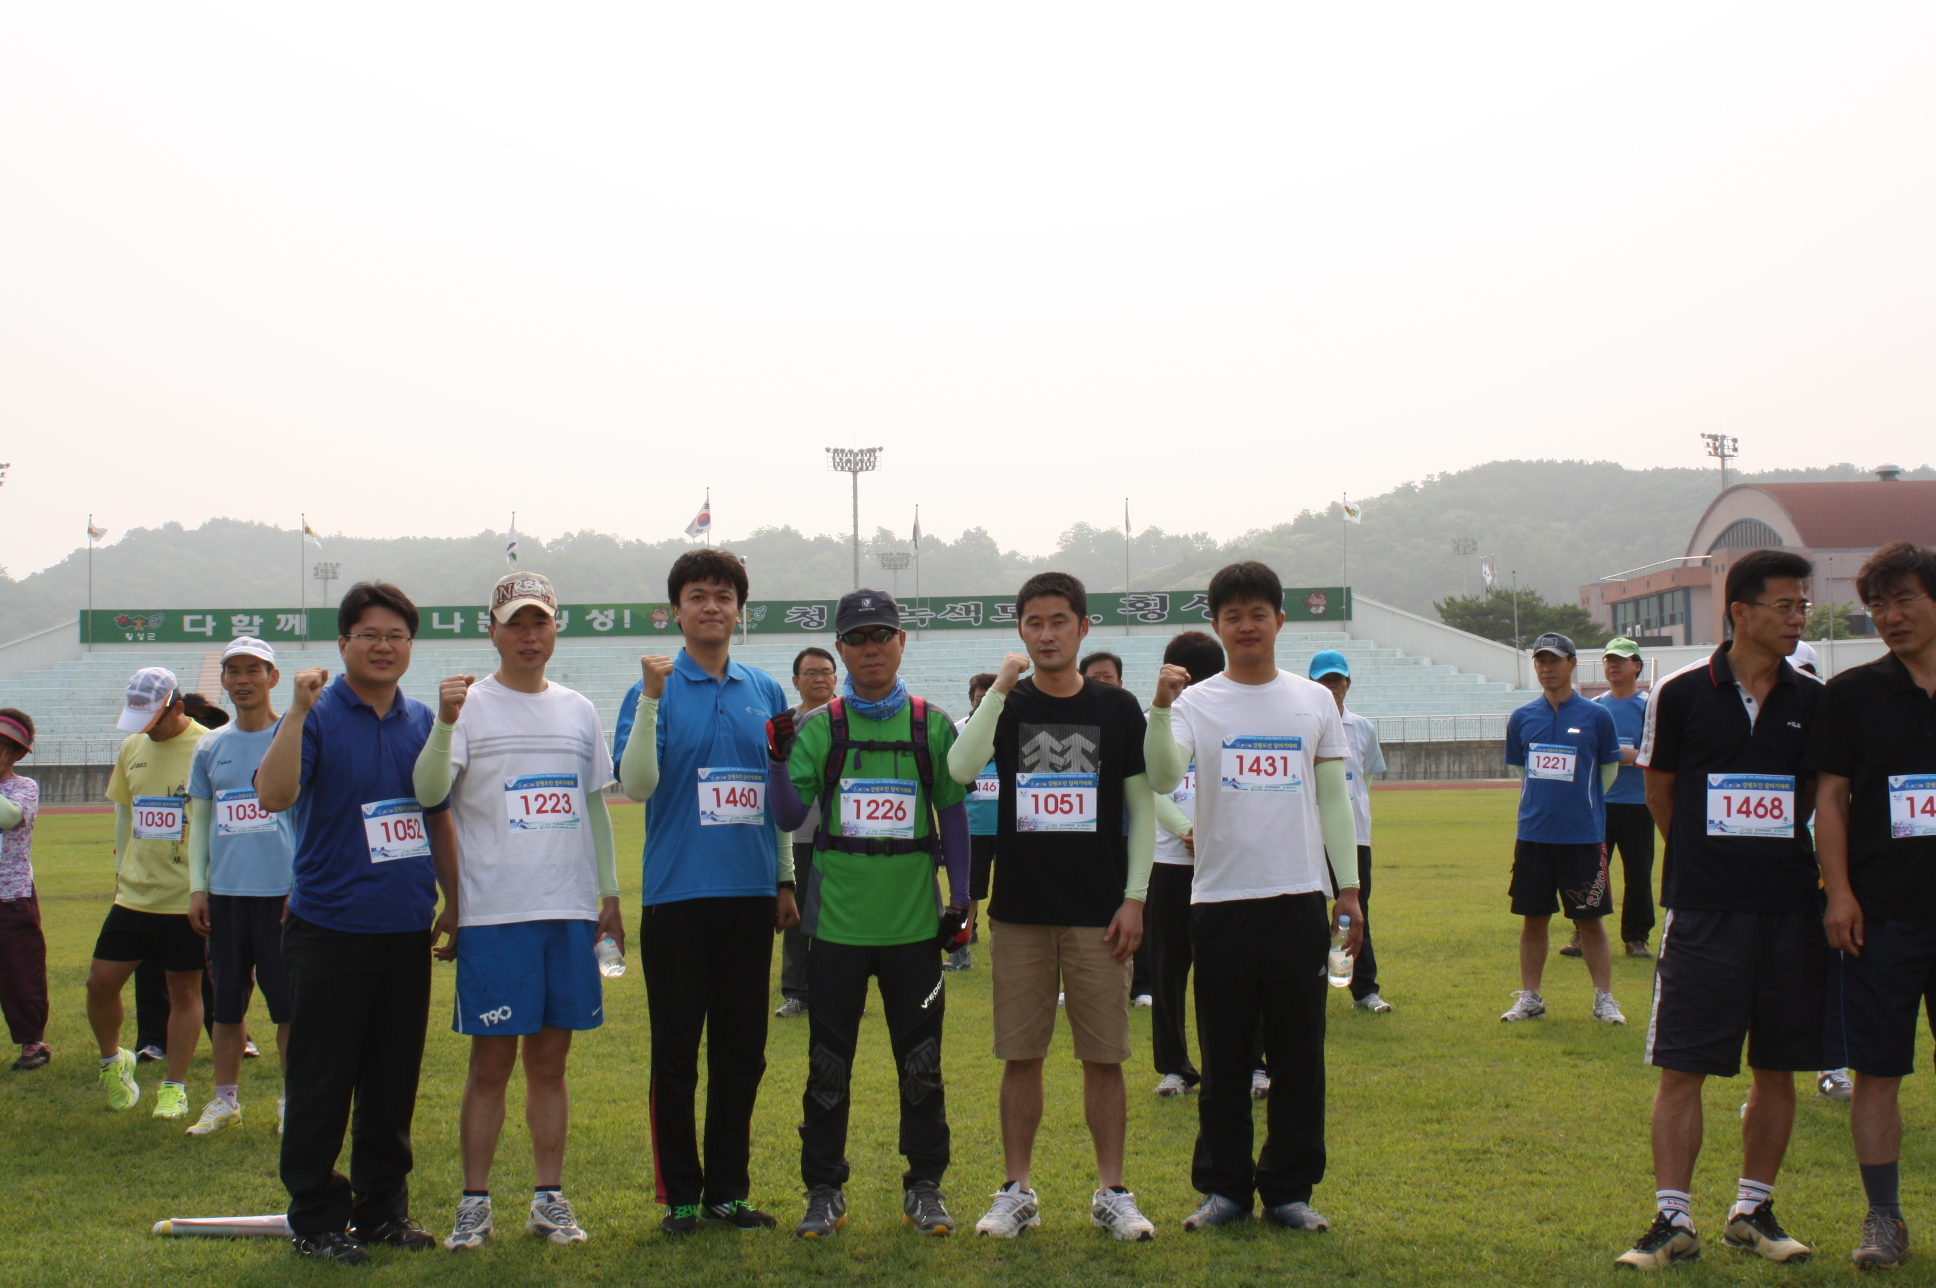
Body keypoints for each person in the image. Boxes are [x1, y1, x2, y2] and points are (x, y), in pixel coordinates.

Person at [1614, 550, 1825, 1269]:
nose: (1798, 618)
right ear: (1740, 611)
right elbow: (1660, 791)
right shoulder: (1678, 693)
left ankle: (1751, 1211)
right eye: (1785, 606)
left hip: (1791, 909)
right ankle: (1672, 1220)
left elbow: (1817, 797)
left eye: (1803, 606)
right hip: (1704, 911)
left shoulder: (1813, 699)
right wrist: (1709, 860)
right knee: (1683, 1068)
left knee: (1778, 1066)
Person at [1144, 561, 1361, 1233]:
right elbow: (1162, 775)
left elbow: (1333, 800)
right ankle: (1225, 1189)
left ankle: (1290, 1189)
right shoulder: (1196, 704)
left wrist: (1348, 888)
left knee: (1299, 1057)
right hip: (1220, 901)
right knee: (1226, 1056)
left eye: (1257, 613)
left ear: (1279, 621)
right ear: (1216, 625)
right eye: (1232, 615)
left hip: (1298, 897)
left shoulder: (1313, 701)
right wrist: (1159, 707)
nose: (1245, 625)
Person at [413, 572, 621, 1250]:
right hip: (495, 914)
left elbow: (594, 807)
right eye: (516, 623)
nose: (529, 636)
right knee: (490, 1065)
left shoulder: (579, 710)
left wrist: (610, 896)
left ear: (556, 629)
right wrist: (445, 722)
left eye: (540, 622)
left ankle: (548, 1198)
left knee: (550, 1064)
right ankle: (474, 1203)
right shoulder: (468, 707)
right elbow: (429, 792)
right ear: (493, 631)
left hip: (567, 910)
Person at [949, 572, 1158, 1242]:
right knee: (1021, 1056)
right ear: (1019, 629)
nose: (1046, 634)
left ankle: (1112, 1191)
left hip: (1101, 912)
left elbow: (1142, 807)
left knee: (1105, 1057)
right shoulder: (1006, 705)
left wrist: (1134, 898)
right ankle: (1017, 1189)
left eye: (1059, 620)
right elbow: (959, 769)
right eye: (1033, 622)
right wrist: (999, 690)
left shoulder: (1117, 708)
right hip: (1020, 912)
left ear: (1083, 627)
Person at [257, 582, 454, 1265]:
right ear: (343, 644)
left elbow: (437, 818)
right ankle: (315, 1218)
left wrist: (455, 901)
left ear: (411, 646)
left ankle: (381, 1212)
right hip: (329, 930)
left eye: (396, 636)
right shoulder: (315, 715)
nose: (383, 646)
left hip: (404, 929)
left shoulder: (422, 721)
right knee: (323, 1081)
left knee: (392, 1082)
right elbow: (273, 794)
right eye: (369, 634)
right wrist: (294, 712)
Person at [768, 589, 971, 1238]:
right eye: (856, 638)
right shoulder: (819, 728)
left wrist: (962, 899)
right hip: (836, 932)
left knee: (922, 1067)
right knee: (827, 1068)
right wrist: (777, 762)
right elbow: (788, 815)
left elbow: (953, 813)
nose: (870, 647)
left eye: (882, 634)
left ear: (901, 641)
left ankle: (925, 1186)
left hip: (915, 933)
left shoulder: (931, 724)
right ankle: (823, 1189)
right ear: (841, 649)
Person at [614, 549, 795, 1235]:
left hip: (750, 894)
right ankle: (681, 1196)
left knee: (742, 1051)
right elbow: (636, 785)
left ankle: (727, 1190)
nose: (711, 606)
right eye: (697, 596)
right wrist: (651, 699)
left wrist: (784, 877)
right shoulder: (651, 689)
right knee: (677, 1051)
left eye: (723, 595)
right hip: (677, 896)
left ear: (739, 610)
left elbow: (777, 791)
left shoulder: (765, 691)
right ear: (676, 610)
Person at [1808, 540, 1936, 1268]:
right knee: (1879, 1069)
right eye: (1878, 606)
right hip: (1882, 914)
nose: (1890, 616)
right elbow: (1830, 798)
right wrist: (1840, 892)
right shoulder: (1851, 695)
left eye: (1905, 599)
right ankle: (1883, 1220)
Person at [183, 638, 295, 1137]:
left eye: (254, 670)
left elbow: (309, 820)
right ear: (223, 679)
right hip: (226, 897)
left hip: (282, 896)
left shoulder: (292, 737)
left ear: (273, 677)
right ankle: (224, 1101)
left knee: (289, 1005)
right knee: (227, 1004)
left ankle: (293, 1101)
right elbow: (201, 822)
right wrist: (197, 889)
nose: (243, 679)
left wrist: (301, 885)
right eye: (234, 670)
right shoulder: (210, 746)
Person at [88, 667, 210, 1119]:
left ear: (177, 708)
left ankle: (174, 1087)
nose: (144, 729)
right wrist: (121, 871)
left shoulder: (208, 746)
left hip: (186, 896)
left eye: (153, 719)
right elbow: (126, 812)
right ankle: (113, 1061)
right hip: (134, 895)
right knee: (100, 984)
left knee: (184, 990)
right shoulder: (132, 747)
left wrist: (205, 886)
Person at [1498, 634, 1625, 1026]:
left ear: (1572, 663)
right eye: (1540, 661)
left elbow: (1608, 772)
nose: (1547, 668)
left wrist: (1580, 806)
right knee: (1533, 918)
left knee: (1590, 920)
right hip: (1534, 836)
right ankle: (1531, 997)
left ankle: (1604, 999)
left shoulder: (1597, 716)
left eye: (1554, 660)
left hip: (1582, 837)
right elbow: (1522, 772)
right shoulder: (1522, 718)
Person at [1146, 631, 1222, 1097]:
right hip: (1171, 862)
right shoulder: (1152, 720)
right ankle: (1175, 1067)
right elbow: (1151, 787)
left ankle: (1246, 1064)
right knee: (1168, 970)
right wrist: (1186, 831)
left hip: (1225, 862)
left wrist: (1210, 833)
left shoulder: (1228, 717)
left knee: (1231, 970)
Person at [1560, 638, 1655, 964]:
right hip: (1599, 803)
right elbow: (1582, 750)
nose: (1613, 665)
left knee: (1638, 875)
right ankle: (1582, 933)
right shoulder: (1595, 707)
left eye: (1621, 660)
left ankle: (1636, 938)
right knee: (1590, 872)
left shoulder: (1649, 707)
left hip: (1638, 803)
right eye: (1608, 660)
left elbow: (1656, 752)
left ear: (1636, 666)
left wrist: (1621, 754)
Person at [1308, 650, 1391, 1013]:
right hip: (1310, 835)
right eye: (1324, 681)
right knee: (1310, 914)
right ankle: (1310, 986)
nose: (1331, 687)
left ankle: (1363, 990)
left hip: (1353, 836)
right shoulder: (1303, 725)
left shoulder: (1362, 728)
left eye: (1336, 680)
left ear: (1348, 683)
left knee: (1354, 913)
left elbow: (1365, 777)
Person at [777, 647, 839, 1017]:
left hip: (842, 836)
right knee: (797, 917)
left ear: (836, 678)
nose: (819, 678)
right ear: (796, 681)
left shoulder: (849, 719)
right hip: (799, 834)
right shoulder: (785, 724)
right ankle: (796, 992)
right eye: (811, 672)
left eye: (826, 671)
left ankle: (838, 989)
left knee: (838, 915)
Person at [0, 709, 47, 1071]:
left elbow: (9, 817)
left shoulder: (23, 787)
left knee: (20, 972)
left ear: (18, 754)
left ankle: (33, 1042)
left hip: (12, 895)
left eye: (5, 747)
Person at [947, 672, 1000, 973]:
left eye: (991, 699)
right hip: (973, 829)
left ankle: (1005, 956)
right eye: (980, 699)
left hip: (1009, 829)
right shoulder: (958, 730)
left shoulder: (1011, 729)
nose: (983, 705)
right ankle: (960, 952)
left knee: (1008, 897)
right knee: (967, 896)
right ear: (971, 700)